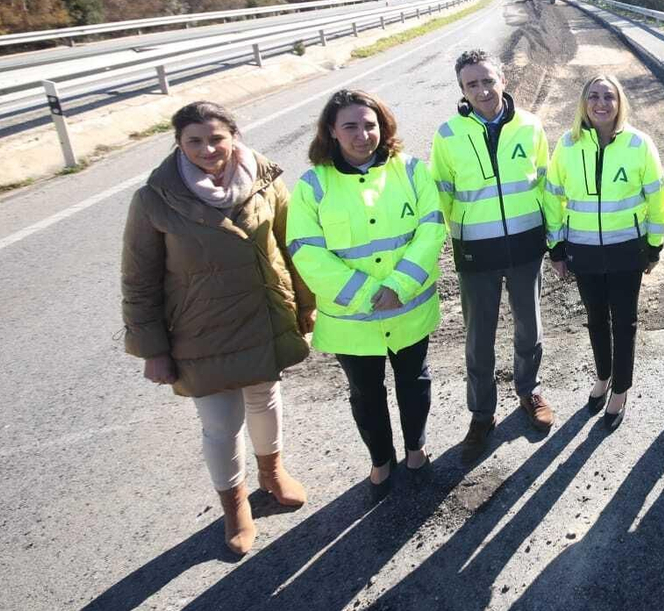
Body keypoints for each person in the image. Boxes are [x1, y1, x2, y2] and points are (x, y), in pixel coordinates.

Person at [121, 101, 312, 555]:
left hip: (263, 315)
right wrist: (153, 349)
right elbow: (138, 278)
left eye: (216, 138)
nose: (208, 149)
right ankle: (235, 507)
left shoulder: (266, 181)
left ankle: (272, 472)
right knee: (220, 422)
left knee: (265, 398)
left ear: (234, 136)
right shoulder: (154, 199)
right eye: (195, 141)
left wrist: (307, 304)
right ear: (179, 144)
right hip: (199, 330)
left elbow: (293, 245)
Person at [287, 90, 446, 499]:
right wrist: (367, 294)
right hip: (352, 322)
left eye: (370, 125)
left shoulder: (410, 170)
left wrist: (399, 286)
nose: (362, 135)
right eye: (351, 127)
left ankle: (416, 448)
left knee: (415, 381)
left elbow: (431, 228)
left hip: (407, 309)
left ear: (384, 126)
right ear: (331, 132)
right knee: (365, 393)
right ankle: (380, 459)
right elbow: (306, 250)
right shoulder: (313, 185)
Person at [433, 48, 555, 463]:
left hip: (525, 245)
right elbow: (442, 195)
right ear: (462, 89)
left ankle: (529, 390)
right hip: (476, 252)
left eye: (488, 80)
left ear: (503, 78)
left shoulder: (530, 126)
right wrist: (458, 239)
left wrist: (552, 237)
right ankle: (482, 412)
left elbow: (546, 185)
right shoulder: (448, 135)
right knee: (478, 337)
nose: (482, 90)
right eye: (472, 84)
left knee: (529, 326)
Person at [544, 74, 664, 429]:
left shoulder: (639, 144)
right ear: (583, 102)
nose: (601, 103)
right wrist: (556, 247)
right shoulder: (567, 145)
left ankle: (621, 389)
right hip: (582, 250)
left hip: (626, 250)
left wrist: (654, 246)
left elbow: (658, 200)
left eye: (608, 97)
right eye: (594, 96)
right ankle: (603, 376)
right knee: (596, 318)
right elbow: (553, 197)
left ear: (619, 103)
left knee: (625, 322)